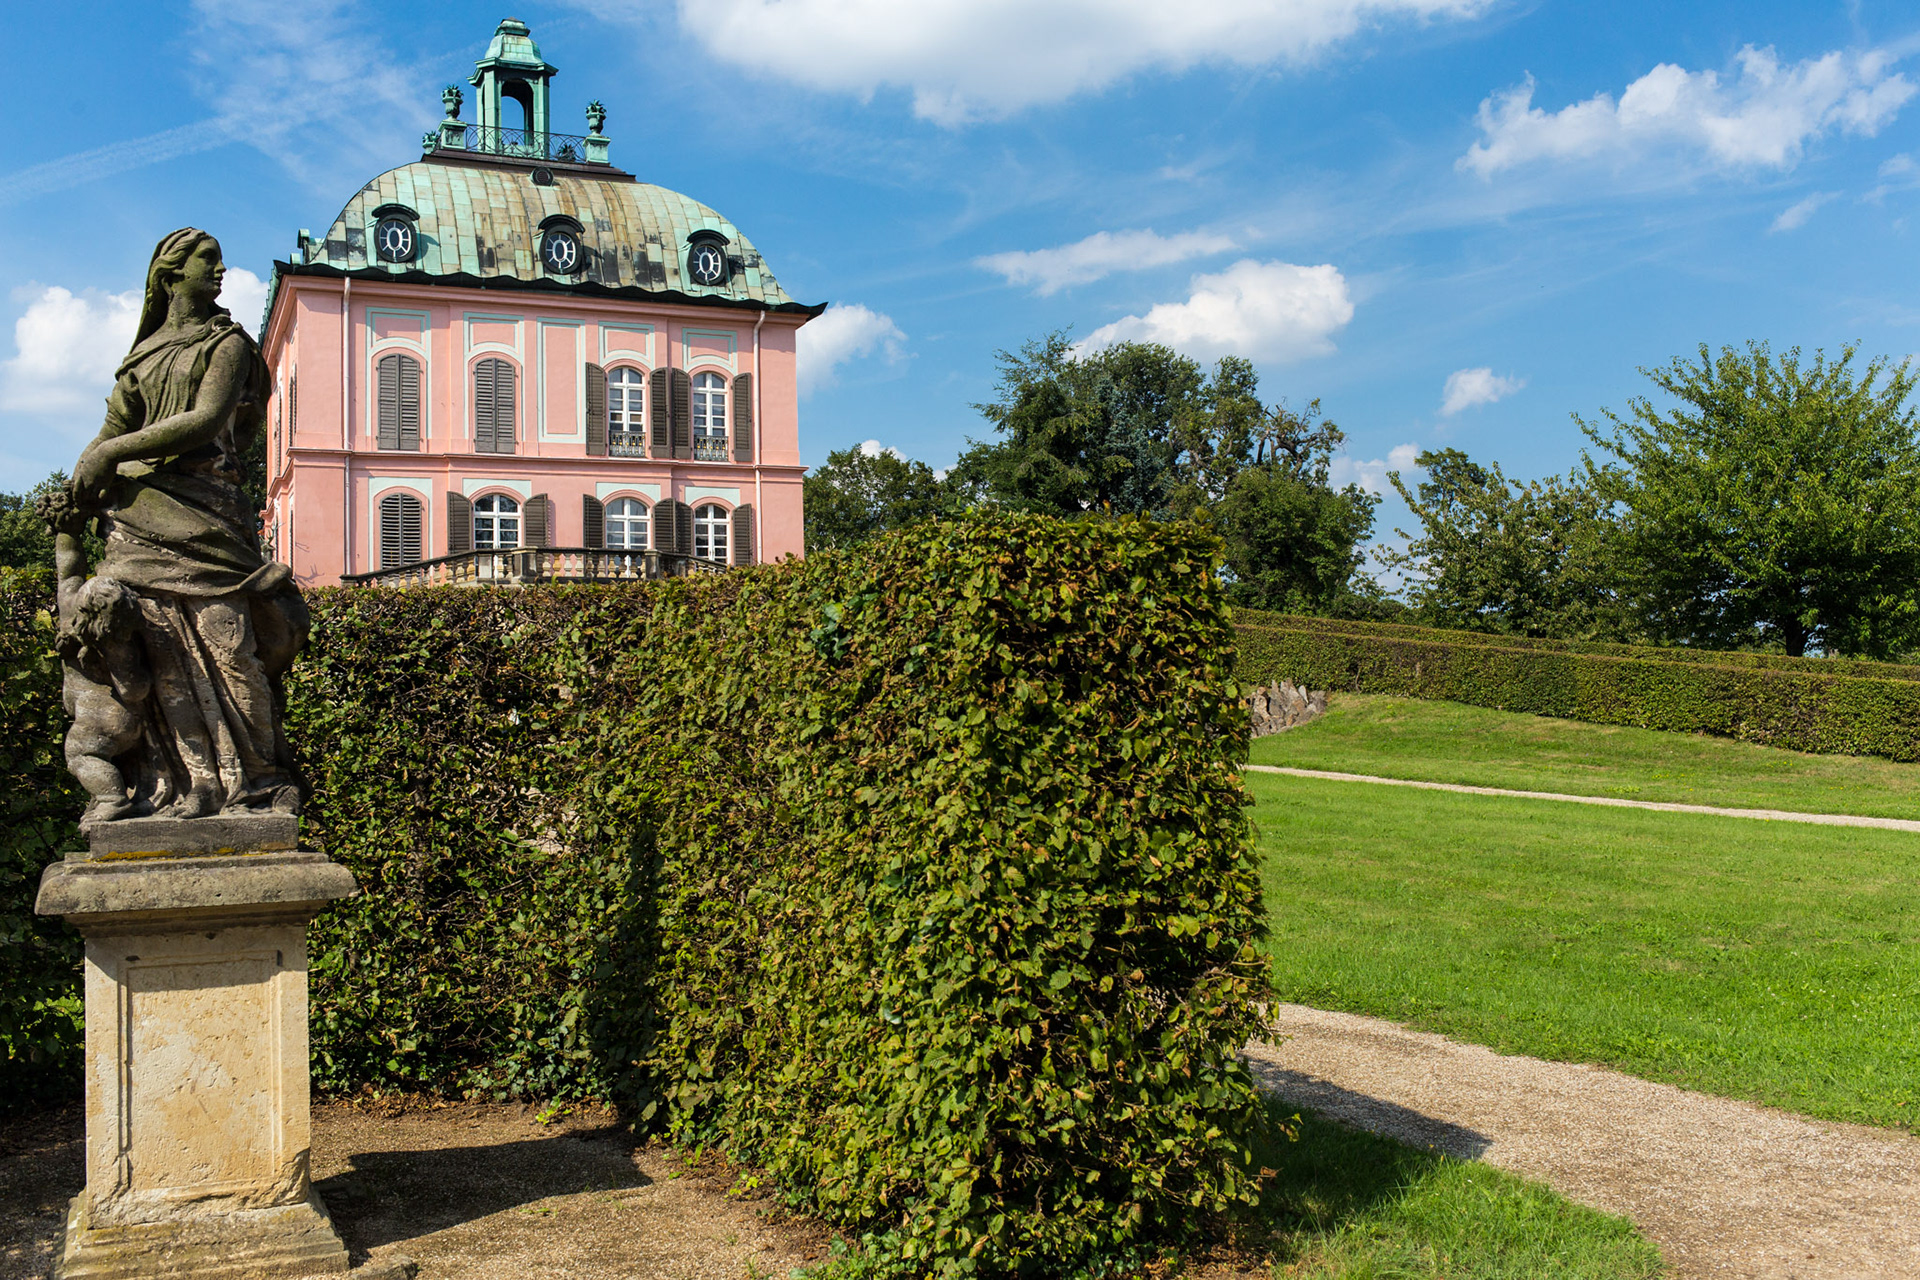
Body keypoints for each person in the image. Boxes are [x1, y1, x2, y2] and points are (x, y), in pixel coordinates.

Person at [65, 227, 306, 821]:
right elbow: (112, 428)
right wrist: (84, 475)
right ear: (170, 275)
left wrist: (110, 456)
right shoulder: (143, 357)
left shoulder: (227, 344)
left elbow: (207, 420)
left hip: (206, 518)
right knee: (163, 656)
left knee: (232, 654)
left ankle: (259, 778)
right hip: (138, 520)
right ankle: (193, 783)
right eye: (208, 261)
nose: (221, 271)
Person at [39, 487, 150, 824]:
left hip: (101, 720)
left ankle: (111, 798)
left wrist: (67, 532)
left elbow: (69, 569)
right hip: (120, 718)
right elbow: (135, 689)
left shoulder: (69, 612)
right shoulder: (117, 640)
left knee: (79, 752)